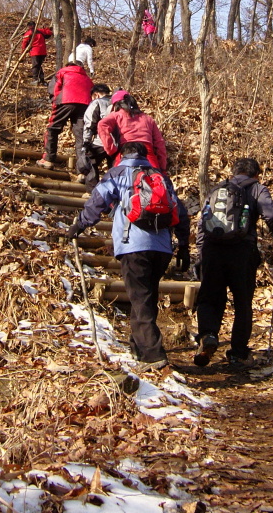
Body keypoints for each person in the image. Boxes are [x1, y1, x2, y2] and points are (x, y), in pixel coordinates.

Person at [66, 141, 190, 371]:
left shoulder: (118, 173)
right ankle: (139, 348)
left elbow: (97, 201)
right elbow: (180, 213)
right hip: (162, 247)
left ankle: (153, 354)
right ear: (146, 155)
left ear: (122, 155)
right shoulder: (160, 176)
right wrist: (183, 246)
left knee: (140, 296)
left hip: (133, 244)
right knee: (146, 295)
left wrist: (79, 225)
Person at [193, 157, 273, 369]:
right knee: (243, 303)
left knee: (210, 298)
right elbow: (271, 214)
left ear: (234, 171)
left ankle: (208, 336)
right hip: (242, 252)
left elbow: (202, 222)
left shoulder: (218, 189)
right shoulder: (257, 189)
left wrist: (201, 254)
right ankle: (237, 353)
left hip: (212, 250)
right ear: (256, 174)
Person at [38, 54, 93, 169]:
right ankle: (82, 170)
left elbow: (53, 89)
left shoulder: (62, 72)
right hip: (84, 105)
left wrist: (54, 102)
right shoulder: (87, 78)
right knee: (81, 137)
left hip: (65, 101)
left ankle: (48, 159)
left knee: (52, 129)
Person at [97, 91, 168, 171]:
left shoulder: (117, 115)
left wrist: (111, 150)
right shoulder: (148, 119)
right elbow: (160, 143)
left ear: (116, 105)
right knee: (154, 179)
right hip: (147, 154)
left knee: (118, 178)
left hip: (126, 152)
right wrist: (162, 167)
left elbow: (102, 124)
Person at [79, 83, 114, 189]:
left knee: (90, 160)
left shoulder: (97, 102)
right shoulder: (118, 103)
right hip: (119, 143)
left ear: (96, 94)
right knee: (114, 167)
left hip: (102, 141)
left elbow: (89, 124)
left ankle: (91, 190)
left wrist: (86, 142)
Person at [21, 21, 53, 86]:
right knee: (38, 65)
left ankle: (36, 79)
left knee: (35, 66)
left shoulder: (29, 33)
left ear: (29, 26)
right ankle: (42, 80)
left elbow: (24, 42)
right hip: (43, 52)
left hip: (35, 52)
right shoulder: (40, 31)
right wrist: (47, 28)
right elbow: (49, 33)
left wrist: (23, 51)